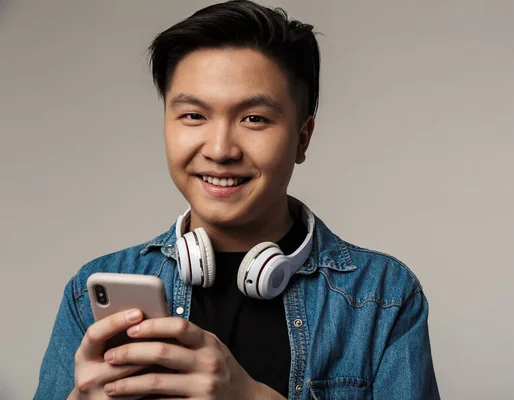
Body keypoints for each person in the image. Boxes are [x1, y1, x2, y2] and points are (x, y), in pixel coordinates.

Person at [34, 1, 440, 399]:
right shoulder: (92, 291)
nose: (220, 149)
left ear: (303, 138)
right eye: (193, 115)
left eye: (254, 119)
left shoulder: (383, 295)